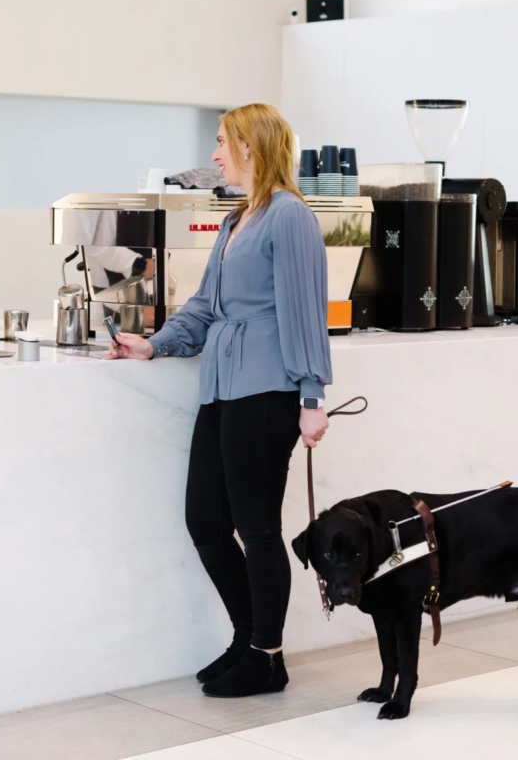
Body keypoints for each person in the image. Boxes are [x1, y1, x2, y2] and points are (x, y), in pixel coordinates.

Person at [107, 103, 332, 698]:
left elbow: (305, 312)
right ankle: (247, 636)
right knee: (205, 521)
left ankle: (267, 656)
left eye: (220, 143)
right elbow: (206, 306)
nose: (213, 156)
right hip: (223, 388)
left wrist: (313, 394)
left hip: (268, 390)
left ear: (251, 147)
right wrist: (152, 346)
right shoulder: (237, 221)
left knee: (257, 529)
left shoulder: (289, 217)